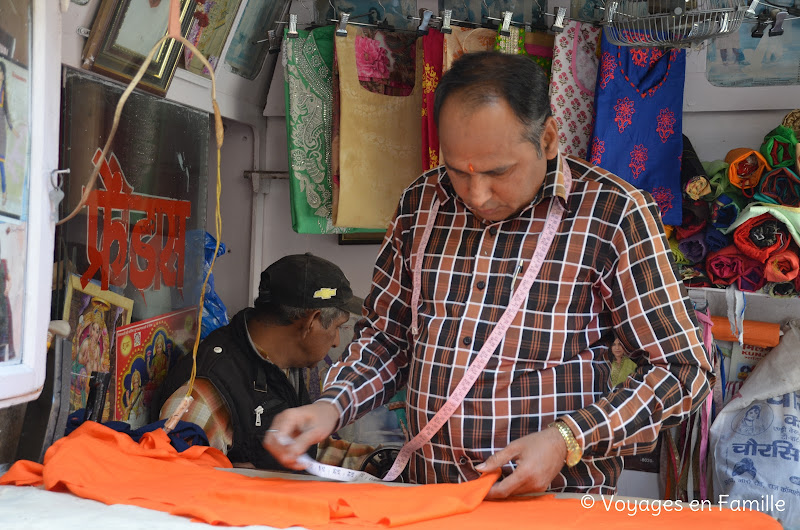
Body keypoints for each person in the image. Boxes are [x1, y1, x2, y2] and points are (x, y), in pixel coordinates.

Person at [264, 51, 712, 498]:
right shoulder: (422, 203)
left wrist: (569, 438)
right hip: (432, 497)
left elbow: (683, 370)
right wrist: (332, 404)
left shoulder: (612, 215)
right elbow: (389, 336)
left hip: (552, 502)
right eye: (458, 171)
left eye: (499, 172)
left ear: (550, 139)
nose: (477, 195)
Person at [151, 253, 361, 470]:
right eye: (337, 327)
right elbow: (179, 482)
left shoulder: (282, 363)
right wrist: (242, 481)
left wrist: (376, 461)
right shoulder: (206, 393)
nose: (337, 341)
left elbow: (303, 447)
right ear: (312, 321)